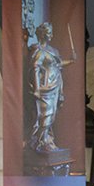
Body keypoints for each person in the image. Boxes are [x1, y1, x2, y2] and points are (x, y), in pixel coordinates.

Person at [27, 21, 71, 153]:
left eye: (51, 33)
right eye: (49, 33)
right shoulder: (39, 51)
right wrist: (36, 89)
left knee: (52, 116)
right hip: (45, 87)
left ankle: (47, 140)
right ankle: (40, 142)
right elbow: (35, 68)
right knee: (45, 115)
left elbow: (58, 64)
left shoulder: (53, 51)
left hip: (55, 85)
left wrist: (71, 61)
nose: (51, 35)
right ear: (42, 34)